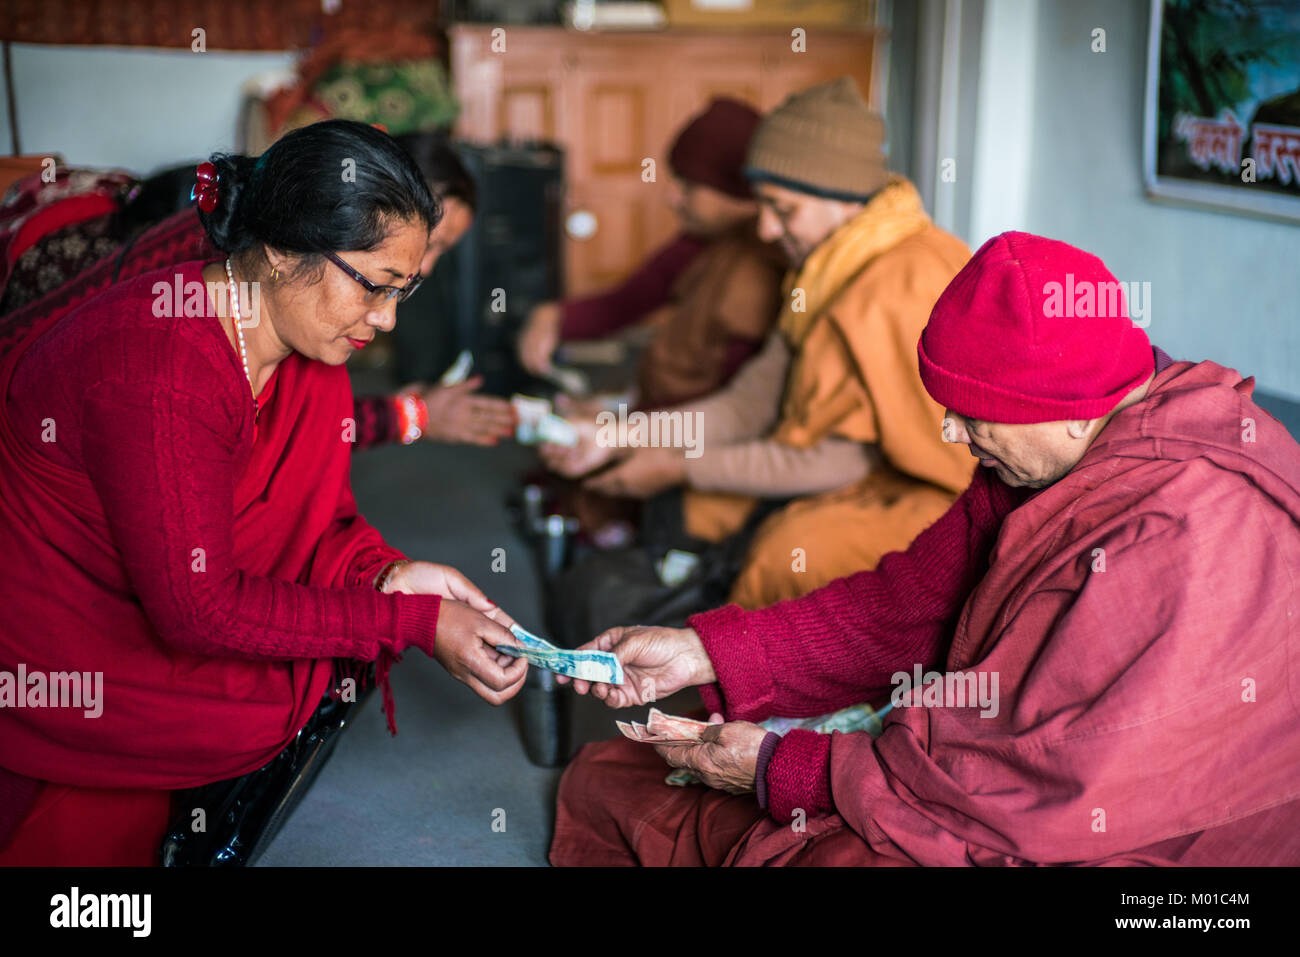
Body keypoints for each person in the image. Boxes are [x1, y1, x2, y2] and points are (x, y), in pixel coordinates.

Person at [549, 231, 1300, 867]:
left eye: (973, 416)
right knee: (614, 773)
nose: (952, 435)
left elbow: (1048, 787)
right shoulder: (1044, 457)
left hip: (1155, 845)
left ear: (1072, 412)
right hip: (982, 778)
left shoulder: (1193, 531)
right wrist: (702, 652)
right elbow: (903, 607)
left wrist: (787, 767)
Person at [0, 120, 528, 866]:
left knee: (295, 667)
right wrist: (409, 619)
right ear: (280, 249)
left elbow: (324, 515)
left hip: (159, 587)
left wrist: (387, 573)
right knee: (248, 700)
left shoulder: (311, 350)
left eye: (404, 288)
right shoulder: (164, 368)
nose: (387, 319)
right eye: (374, 286)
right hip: (57, 626)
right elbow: (196, 610)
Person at [543, 78, 974, 609]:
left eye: (783, 209)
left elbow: (841, 462)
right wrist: (618, 434)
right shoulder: (822, 271)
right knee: (700, 509)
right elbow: (748, 405)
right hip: (842, 475)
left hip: (939, 498)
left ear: (840, 199)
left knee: (786, 554)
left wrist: (679, 463)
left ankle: (749, 677)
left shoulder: (903, 279)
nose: (767, 230)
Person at [0, 136, 515, 449]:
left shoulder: (308, 278)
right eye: (432, 244)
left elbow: (297, 424)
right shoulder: (211, 278)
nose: (421, 268)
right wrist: (414, 416)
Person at [518, 97, 784, 412]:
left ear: (738, 193)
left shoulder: (758, 270)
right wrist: (552, 317)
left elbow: (726, 405)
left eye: (689, 186)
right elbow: (623, 304)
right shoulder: (699, 244)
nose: (672, 198)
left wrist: (621, 429)